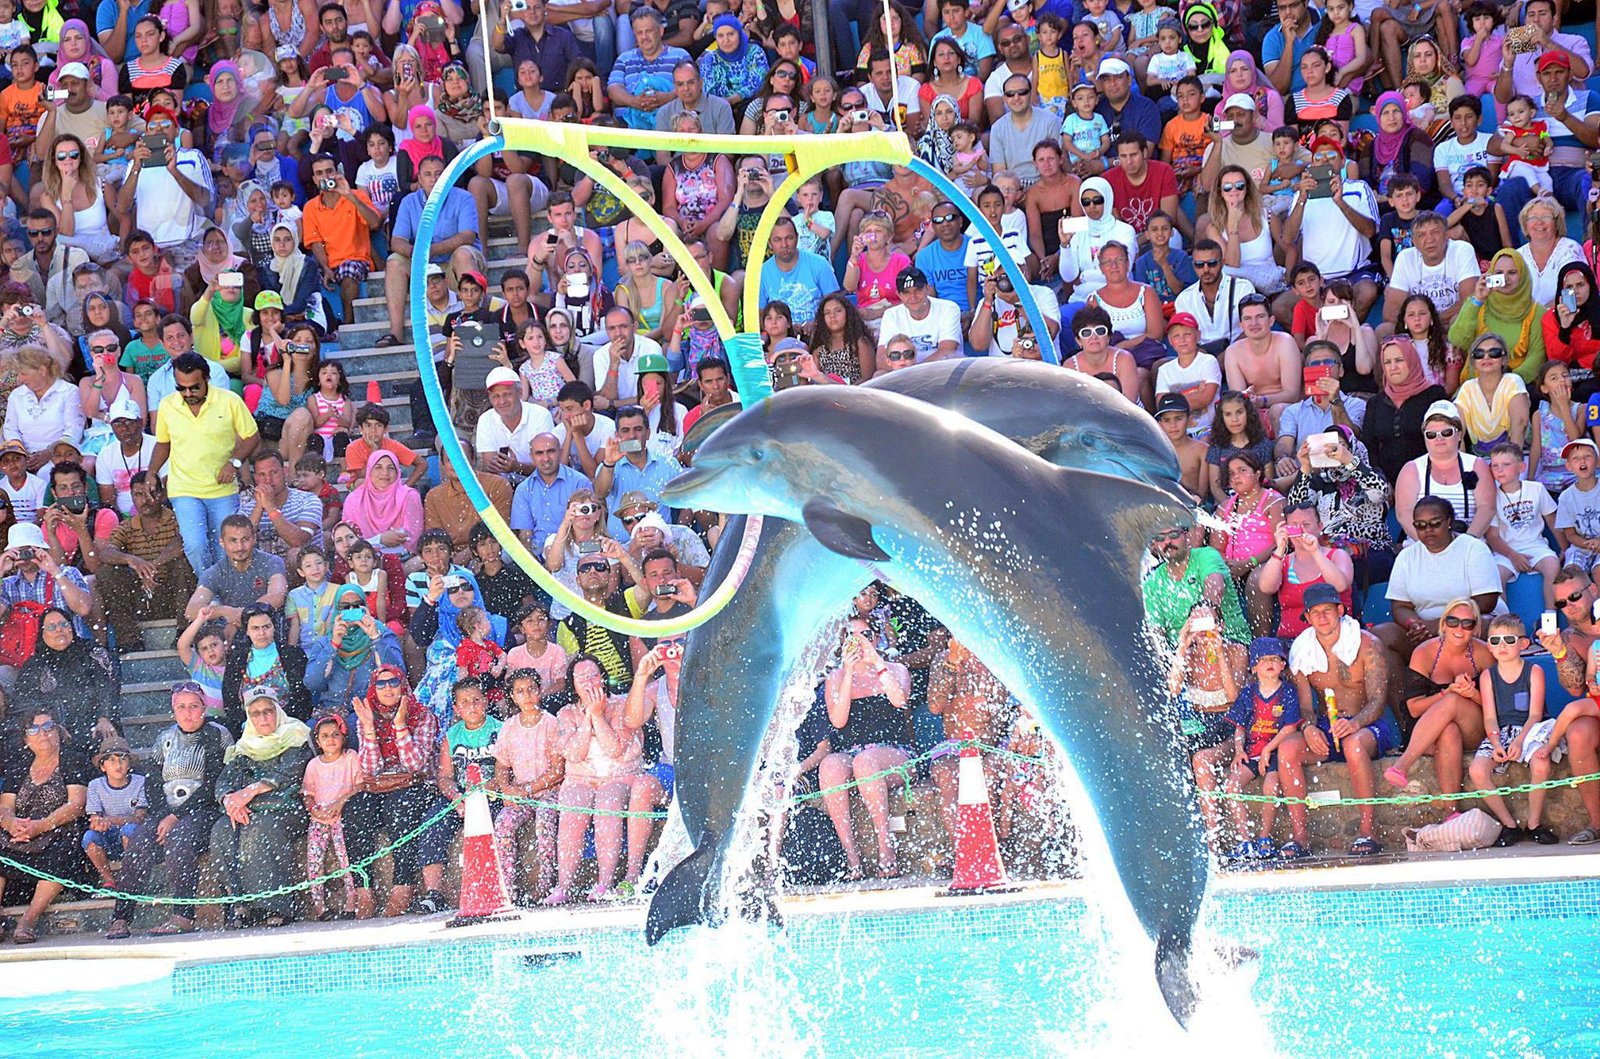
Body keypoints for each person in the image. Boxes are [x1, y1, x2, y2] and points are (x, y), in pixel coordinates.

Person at [1287, 583, 1395, 856]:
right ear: (1307, 618)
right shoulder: (1302, 650)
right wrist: (1309, 727)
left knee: (1353, 745)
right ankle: (1300, 839)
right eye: (1315, 613)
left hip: (1368, 725)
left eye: (1328, 610)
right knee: (1288, 750)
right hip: (1328, 724)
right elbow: (1305, 706)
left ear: (1340, 610)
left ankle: (1367, 832)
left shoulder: (1368, 644)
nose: (1322, 617)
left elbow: (1377, 701)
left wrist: (1355, 724)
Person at [149, 352, 261, 579]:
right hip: (184, 488)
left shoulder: (230, 400)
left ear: (207, 378)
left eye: (194, 387)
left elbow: (252, 437)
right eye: (181, 388)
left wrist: (234, 462)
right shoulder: (168, 405)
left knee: (225, 549)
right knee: (195, 545)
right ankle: (212, 592)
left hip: (223, 490)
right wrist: (151, 472)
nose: (188, 393)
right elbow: (163, 444)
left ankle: (228, 595)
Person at [817, 615, 912, 880]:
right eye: (852, 638)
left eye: (865, 636)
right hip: (853, 752)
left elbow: (900, 700)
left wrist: (876, 662)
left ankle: (885, 848)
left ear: (876, 638)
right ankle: (852, 858)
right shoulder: (835, 678)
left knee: (865, 762)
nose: (859, 643)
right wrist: (848, 672)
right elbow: (838, 720)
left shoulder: (895, 669)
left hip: (895, 753)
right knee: (831, 766)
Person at [543, 654, 642, 904]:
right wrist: (588, 717)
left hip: (619, 774)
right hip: (581, 778)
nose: (588, 682)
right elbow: (574, 753)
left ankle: (604, 882)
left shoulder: (620, 706)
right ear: (572, 684)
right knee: (572, 808)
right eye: (581, 678)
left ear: (603, 678)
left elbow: (614, 750)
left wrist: (598, 715)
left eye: (593, 676)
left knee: (607, 805)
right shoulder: (566, 714)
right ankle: (564, 885)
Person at [210, 684, 311, 929]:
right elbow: (225, 781)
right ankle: (240, 905)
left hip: (287, 807)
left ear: (277, 710)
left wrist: (250, 791)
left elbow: (290, 772)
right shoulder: (246, 745)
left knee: (263, 827)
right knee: (222, 830)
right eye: (256, 713)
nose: (263, 717)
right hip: (251, 808)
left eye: (268, 711)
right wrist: (230, 802)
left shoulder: (295, 734)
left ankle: (275, 906)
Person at [1382, 597, 1494, 801]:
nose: (1459, 628)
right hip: (1430, 733)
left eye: (1467, 623)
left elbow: (1497, 707)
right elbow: (1414, 709)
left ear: (1476, 628)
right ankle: (1452, 812)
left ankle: (1402, 765)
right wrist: (1446, 692)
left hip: (1474, 727)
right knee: (1449, 729)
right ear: (1443, 624)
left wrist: (1472, 695)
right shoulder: (1424, 652)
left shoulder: (1484, 653)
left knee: (1453, 702)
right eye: (1453, 621)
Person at [0, 705, 88, 943]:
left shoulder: (73, 760)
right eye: (34, 729)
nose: (43, 733)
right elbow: (5, 806)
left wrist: (40, 826)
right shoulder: (19, 765)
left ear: (59, 731)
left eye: (49, 726)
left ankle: (27, 921)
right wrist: (11, 824)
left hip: (58, 830)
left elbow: (76, 805)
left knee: (62, 854)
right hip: (21, 832)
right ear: (26, 739)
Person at [490, 668, 563, 903]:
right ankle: (508, 888)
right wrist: (506, 789)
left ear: (539, 691)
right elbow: (501, 765)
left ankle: (545, 883)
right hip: (520, 794)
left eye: (531, 689)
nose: (527, 695)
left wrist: (529, 789)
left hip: (547, 792)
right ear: (512, 697)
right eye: (520, 691)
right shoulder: (509, 726)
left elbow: (557, 770)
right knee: (502, 824)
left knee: (544, 818)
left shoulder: (551, 723)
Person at [1392, 398, 1496, 540]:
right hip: (1423, 544)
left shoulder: (1477, 465)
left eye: (1446, 432)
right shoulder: (1412, 469)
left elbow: (1487, 508)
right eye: (1431, 434)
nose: (1439, 438)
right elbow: (1404, 514)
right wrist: (1431, 544)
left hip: (1470, 544)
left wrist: (1467, 542)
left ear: (1459, 434)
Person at [1448, 250, 1547, 386]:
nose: (1505, 279)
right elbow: (1458, 340)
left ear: (1522, 275)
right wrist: (1477, 300)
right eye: (1499, 273)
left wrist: (1503, 382)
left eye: (1512, 273)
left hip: (1516, 385)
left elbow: (1536, 358)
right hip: (1475, 385)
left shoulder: (1536, 312)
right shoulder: (1477, 303)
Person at [301, 712, 365, 920]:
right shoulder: (314, 765)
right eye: (325, 735)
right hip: (318, 819)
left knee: (345, 858)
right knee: (314, 861)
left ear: (344, 737)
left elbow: (360, 785)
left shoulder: (350, 758)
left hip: (341, 818)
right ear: (317, 741)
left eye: (336, 734)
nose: (331, 739)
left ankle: (351, 900)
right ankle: (319, 906)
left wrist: (341, 802)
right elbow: (307, 794)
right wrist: (313, 810)